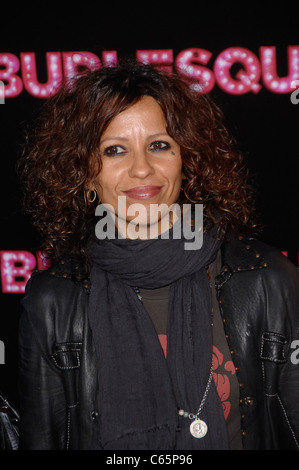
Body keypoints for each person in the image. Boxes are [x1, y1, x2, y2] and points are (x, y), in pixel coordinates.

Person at [17, 61, 299, 450]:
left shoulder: (268, 279)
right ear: (84, 173)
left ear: (188, 158)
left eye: (159, 145)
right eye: (115, 150)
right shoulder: (53, 300)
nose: (141, 169)